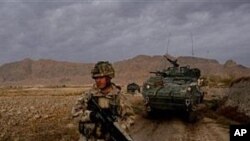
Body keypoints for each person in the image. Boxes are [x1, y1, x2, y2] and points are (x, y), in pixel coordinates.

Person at [72, 61, 135, 141]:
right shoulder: (88, 96)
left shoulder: (119, 97)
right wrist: (91, 115)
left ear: (109, 77)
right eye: (96, 78)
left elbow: (130, 117)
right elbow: (75, 113)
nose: (98, 80)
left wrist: (117, 128)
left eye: (101, 78)